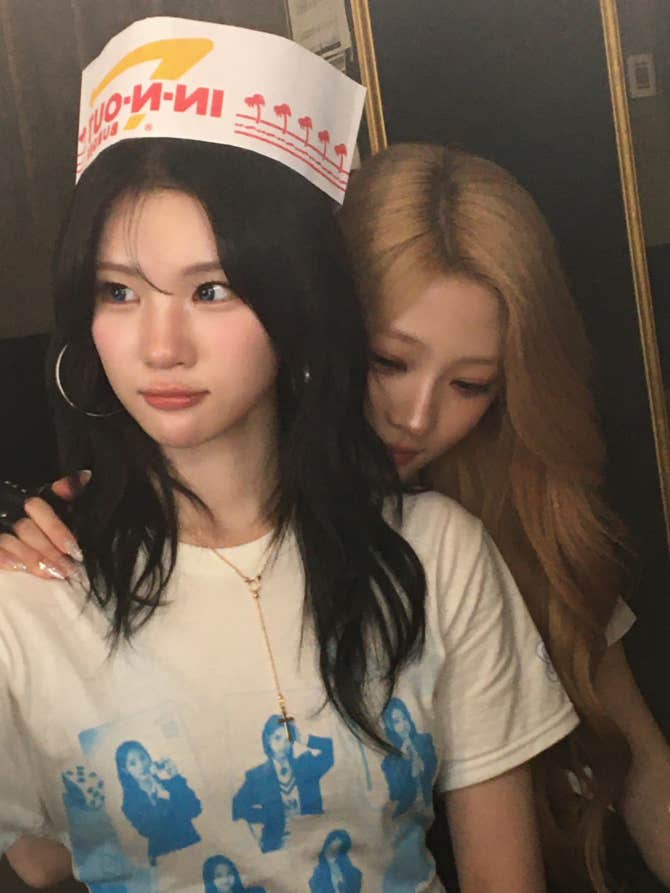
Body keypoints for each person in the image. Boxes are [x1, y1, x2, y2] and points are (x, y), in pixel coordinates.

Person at [0, 17, 577, 893]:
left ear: (296, 301)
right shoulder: (28, 588)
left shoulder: (436, 550)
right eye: (118, 291)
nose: (160, 346)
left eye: (212, 289)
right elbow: (40, 861)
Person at [232, 715, 334, 853]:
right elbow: (238, 807)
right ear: (268, 739)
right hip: (278, 846)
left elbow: (331, 750)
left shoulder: (306, 765)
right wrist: (267, 817)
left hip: (314, 841)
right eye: (277, 738)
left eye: (287, 739)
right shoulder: (257, 777)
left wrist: (304, 739)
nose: (282, 745)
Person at [115, 740, 202, 865]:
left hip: (192, 845)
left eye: (143, 758)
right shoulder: (130, 804)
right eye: (133, 763)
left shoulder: (170, 784)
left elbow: (195, 809)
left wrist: (175, 776)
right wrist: (163, 800)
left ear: (149, 758)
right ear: (125, 770)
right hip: (165, 857)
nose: (141, 765)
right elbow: (151, 830)